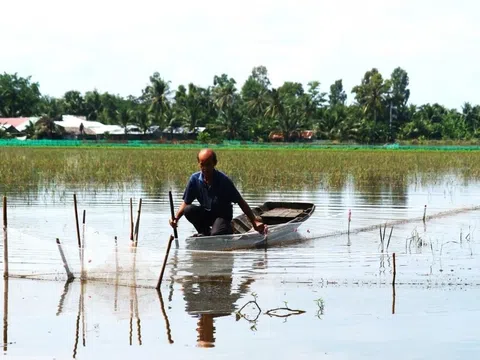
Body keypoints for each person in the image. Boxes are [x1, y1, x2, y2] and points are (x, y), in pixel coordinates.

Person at [169, 148, 265, 236]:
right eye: (202, 165)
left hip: (222, 216)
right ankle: (204, 232)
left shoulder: (223, 180)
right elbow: (186, 202)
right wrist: (176, 219)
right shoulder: (194, 179)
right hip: (207, 215)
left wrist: (254, 222)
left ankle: (227, 228)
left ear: (214, 163)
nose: (205, 169)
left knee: (215, 234)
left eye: (208, 165)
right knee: (188, 209)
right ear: (198, 164)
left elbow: (240, 201)